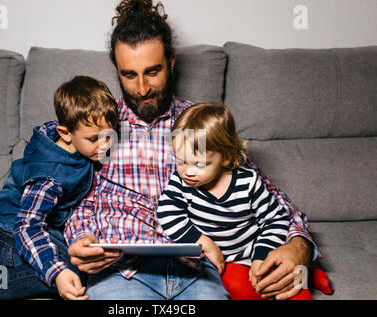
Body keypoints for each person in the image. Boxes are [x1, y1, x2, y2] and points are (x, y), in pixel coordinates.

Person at [66, 0, 321, 300]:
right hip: (124, 274)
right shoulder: (97, 131)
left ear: (171, 61)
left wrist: (299, 245)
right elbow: (76, 201)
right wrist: (81, 239)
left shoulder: (200, 124)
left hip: (197, 271)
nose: (143, 88)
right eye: (129, 75)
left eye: (152, 71)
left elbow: (265, 196)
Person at [0, 75, 119, 300]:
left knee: (87, 261)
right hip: (6, 230)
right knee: (71, 270)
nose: (105, 145)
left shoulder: (78, 144)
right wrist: (57, 273)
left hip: (40, 225)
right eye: (94, 139)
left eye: (109, 135)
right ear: (65, 134)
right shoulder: (50, 178)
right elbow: (27, 227)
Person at [157, 103, 314, 300]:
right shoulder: (180, 183)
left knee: (290, 288)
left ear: (226, 156)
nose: (187, 171)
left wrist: (261, 256)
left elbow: (276, 219)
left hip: (257, 249)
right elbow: (166, 212)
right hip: (226, 261)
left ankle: (312, 276)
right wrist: (203, 241)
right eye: (180, 161)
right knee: (242, 291)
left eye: (199, 164)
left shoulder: (248, 181)